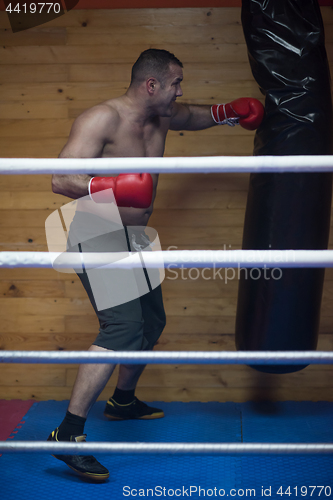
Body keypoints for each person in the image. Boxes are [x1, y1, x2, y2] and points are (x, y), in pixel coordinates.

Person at [48, 48, 264, 482]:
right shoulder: (102, 119)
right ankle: (67, 434)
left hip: (135, 237)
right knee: (123, 328)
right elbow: (60, 178)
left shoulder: (163, 115)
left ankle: (122, 402)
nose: (180, 92)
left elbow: (194, 116)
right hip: (96, 230)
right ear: (152, 85)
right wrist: (110, 184)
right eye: (176, 84)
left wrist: (229, 113)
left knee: (152, 323)